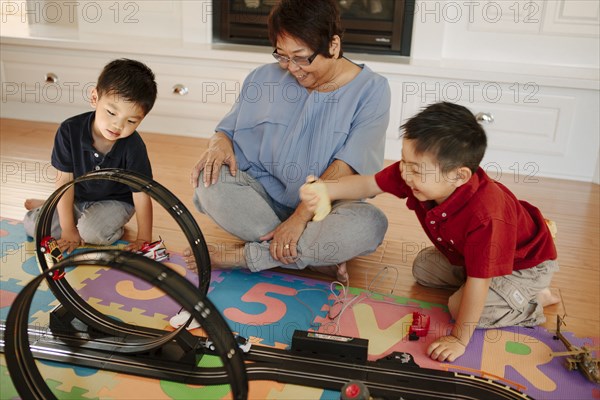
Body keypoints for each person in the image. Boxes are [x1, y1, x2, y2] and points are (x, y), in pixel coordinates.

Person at [299, 101, 560, 362]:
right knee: (423, 268)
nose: (405, 174)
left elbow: (479, 282)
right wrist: (326, 189)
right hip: (470, 257)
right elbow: (368, 184)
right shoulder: (415, 173)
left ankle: (533, 299)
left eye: (415, 169)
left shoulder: (487, 215)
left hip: (524, 266)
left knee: (458, 307)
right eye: (403, 162)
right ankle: (497, 292)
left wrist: (459, 339)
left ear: (459, 176)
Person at [187, 0, 391, 282]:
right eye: (282, 56)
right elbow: (227, 131)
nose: (292, 68)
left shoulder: (372, 90)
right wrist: (218, 143)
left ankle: (246, 257)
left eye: (301, 57)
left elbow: (349, 165)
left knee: (370, 224)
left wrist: (299, 219)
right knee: (209, 181)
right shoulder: (263, 77)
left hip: (325, 209)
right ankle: (309, 256)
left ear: (333, 45)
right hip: (262, 197)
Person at [23, 58, 158, 253]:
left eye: (131, 121)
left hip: (116, 201)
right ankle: (50, 205)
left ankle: (109, 225)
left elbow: (141, 195)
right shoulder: (69, 131)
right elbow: (63, 182)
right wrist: (68, 229)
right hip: (79, 196)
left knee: (91, 233)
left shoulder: (133, 146)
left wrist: (144, 238)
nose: (118, 126)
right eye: (111, 113)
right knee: (33, 225)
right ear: (95, 98)